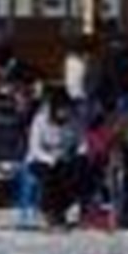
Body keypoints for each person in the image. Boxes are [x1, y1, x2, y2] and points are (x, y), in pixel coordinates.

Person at [26, 88, 85, 227]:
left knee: (72, 177)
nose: (65, 113)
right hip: (41, 160)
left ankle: (62, 209)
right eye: (61, 110)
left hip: (64, 158)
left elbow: (81, 141)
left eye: (67, 109)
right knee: (50, 178)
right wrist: (50, 159)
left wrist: (80, 155)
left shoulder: (74, 120)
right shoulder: (40, 120)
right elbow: (35, 147)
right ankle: (49, 210)